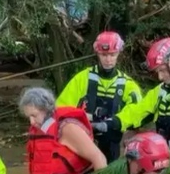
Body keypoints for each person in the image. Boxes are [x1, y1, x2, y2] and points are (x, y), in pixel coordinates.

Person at [19, 86, 112, 174]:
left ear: (45, 109)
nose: (31, 122)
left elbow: (100, 159)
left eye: (34, 116)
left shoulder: (67, 128)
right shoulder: (39, 130)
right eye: (29, 117)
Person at [56, 31, 143, 161]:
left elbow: (138, 113)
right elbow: (61, 108)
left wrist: (114, 123)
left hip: (112, 145)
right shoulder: (82, 78)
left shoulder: (128, 85)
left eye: (112, 55)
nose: (108, 60)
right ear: (98, 54)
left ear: (118, 53)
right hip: (84, 142)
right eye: (104, 55)